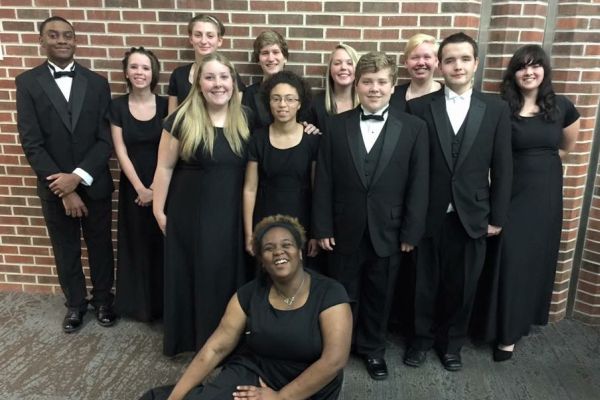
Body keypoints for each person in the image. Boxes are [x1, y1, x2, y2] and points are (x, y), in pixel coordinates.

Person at [140, 215, 352, 400]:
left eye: (286, 245)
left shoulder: (330, 293)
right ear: (262, 261)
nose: (278, 252)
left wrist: (280, 397)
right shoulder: (248, 295)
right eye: (269, 248)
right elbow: (215, 349)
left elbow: (334, 361)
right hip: (254, 371)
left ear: (299, 252)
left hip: (308, 383)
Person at [312, 52, 429, 380]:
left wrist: (411, 232)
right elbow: (324, 181)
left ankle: (373, 349)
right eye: (367, 82)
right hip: (342, 227)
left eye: (381, 82)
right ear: (357, 85)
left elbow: (419, 184)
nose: (374, 88)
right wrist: (321, 225)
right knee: (342, 293)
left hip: (389, 230)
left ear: (393, 86)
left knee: (381, 292)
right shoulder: (336, 126)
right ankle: (337, 350)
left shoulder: (414, 128)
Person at [404, 32, 512, 371]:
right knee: (423, 283)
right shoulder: (419, 107)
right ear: (440, 64)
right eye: (449, 59)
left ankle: (452, 344)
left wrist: (497, 216)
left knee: (463, 285)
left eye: (465, 59)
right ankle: (419, 340)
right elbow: (410, 167)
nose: (457, 66)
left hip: (474, 214)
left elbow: (503, 166)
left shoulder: (496, 108)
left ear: (476, 64)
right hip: (428, 213)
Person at [16, 16, 116, 333]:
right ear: (42, 41)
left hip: (94, 181)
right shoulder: (27, 83)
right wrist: (65, 187)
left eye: (68, 35)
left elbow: (106, 138)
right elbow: (31, 143)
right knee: (65, 247)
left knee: (101, 244)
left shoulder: (98, 83)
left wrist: (80, 176)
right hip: (55, 187)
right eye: (54, 35)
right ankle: (75, 304)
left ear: (75, 41)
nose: (62, 40)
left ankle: (104, 300)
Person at [153, 52, 250, 356]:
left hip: (233, 213)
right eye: (210, 77)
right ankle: (195, 342)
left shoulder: (248, 117)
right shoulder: (180, 119)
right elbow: (164, 167)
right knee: (195, 275)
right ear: (198, 83)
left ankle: (229, 342)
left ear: (233, 82)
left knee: (227, 275)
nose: (217, 84)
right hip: (190, 214)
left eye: (224, 77)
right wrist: (158, 209)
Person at [489, 44, 580, 361]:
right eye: (522, 67)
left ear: (544, 70)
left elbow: (567, 147)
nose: (529, 72)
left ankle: (511, 334)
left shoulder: (562, 106)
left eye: (535, 65)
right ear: (513, 74)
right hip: (511, 191)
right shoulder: (502, 108)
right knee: (508, 258)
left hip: (545, 195)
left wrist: (543, 165)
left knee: (531, 262)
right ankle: (499, 325)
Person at [108, 47, 167, 322]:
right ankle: (137, 307)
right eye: (134, 67)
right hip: (134, 187)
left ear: (153, 72)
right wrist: (142, 189)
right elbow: (120, 152)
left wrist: (155, 188)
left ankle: (163, 307)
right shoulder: (117, 106)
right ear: (126, 73)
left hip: (164, 183)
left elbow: (170, 150)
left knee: (161, 244)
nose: (140, 73)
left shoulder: (167, 104)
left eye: (145, 67)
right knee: (136, 244)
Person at [167, 14, 245, 113]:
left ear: (219, 41)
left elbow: (235, 115)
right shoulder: (179, 75)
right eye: (198, 35)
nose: (204, 41)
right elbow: (171, 119)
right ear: (191, 39)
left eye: (210, 36)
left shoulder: (230, 74)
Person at [310, 44, 360, 134]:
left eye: (349, 63)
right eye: (337, 63)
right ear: (330, 70)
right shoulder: (316, 105)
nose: (343, 67)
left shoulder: (366, 104)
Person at [390, 33, 442, 112]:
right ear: (406, 63)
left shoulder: (446, 96)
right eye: (415, 57)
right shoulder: (392, 96)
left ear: (436, 61)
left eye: (427, 57)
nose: (421, 63)